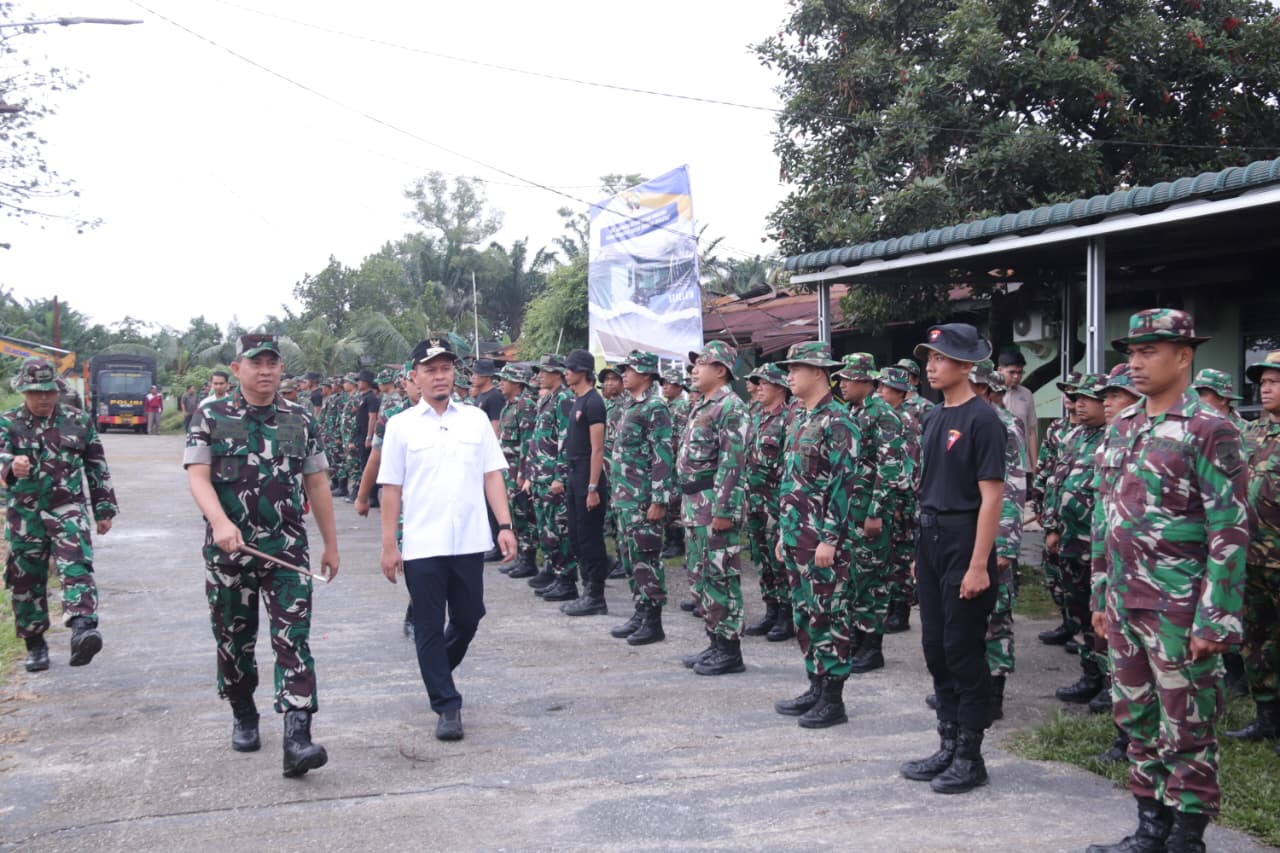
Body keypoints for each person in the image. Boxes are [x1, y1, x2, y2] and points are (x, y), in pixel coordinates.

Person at [1087, 309, 1247, 853]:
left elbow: (1229, 528)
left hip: (1179, 606)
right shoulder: (1123, 427)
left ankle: (1186, 836)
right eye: (1131, 352)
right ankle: (1149, 826)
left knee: (1187, 723)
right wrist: (1099, 595)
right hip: (1125, 603)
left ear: (1184, 356)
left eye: (1148, 351)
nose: (1134, 362)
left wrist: (1215, 616)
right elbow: (1104, 518)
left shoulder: (1208, 428)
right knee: (1136, 716)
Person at [184, 334, 340, 778]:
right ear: (238, 369)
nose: (266, 370)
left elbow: (318, 484)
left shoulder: (299, 418)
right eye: (256, 363)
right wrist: (219, 522)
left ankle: (297, 738)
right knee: (235, 643)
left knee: (293, 640)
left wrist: (331, 543)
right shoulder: (211, 414)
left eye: (273, 362)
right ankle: (243, 712)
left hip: (287, 551)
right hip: (230, 554)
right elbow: (198, 477)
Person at [377, 337, 516, 742]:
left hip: (470, 539)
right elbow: (391, 489)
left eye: (446, 369)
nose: (440, 376)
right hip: (423, 543)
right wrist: (389, 545)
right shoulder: (401, 426)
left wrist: (505, 526)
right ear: (415, 376)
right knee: (428, 626)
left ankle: (436, 669)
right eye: (431, 370)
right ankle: (446, 704)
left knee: (470, 616)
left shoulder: (473, 419)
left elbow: (493, 474)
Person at [899, 323, 1004, 795]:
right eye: (929, 358)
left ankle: (970, 754)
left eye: (940, 358)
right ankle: (946, 743)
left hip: (966, 539)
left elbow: (991, 499)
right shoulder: (934, 417)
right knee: (936, 649)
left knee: (963, 650)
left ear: (966, 365)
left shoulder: (984, 419)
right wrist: (922, 553)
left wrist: (979, 563)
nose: (931, 366)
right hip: (932, 538)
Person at [1, 357, 118, 673]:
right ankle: (35, 644)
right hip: (24, 515)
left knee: (75, 563)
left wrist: (103, 509)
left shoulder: (77, 421)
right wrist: (10, 465)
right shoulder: (7, 422)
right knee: (26, 579)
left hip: (67, 508)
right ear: (24, 390)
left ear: (57, 390)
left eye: (48, 391)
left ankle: (83, 629)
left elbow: (97, 466)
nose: (43, 398)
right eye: (35, 392)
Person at [773, 341, 858, 728]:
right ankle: (815, 685)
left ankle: (834, 698)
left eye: (797, 368)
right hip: (796, 535)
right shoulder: (799, 417)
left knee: (830, 612)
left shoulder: (838, 420)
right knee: (805, 613)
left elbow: (844, 485)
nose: (789, 374)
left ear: (820, 372)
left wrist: (830, 539)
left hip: (823, 539)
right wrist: (783, 532)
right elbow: (793, 481)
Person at [677, 341, 750, 676]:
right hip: (695, 506)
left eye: (700, 364)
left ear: (720, 370)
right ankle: (715, 641)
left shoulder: (730, 407)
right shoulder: (701, 406)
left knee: (720, 577)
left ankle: (730, 650)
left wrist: (724, 511)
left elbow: (732, 464)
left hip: (714, 506)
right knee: (701, 577)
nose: (693, 370)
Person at [836, 353, 906, 674]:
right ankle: (855, 639)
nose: (843, 384)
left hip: (869, 513)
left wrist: (876, 512)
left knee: (872, 579)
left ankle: (872, 646)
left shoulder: (883, 415)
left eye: (849, 379)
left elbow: (890, 468)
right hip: (849, 512)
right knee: (852, 578)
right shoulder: (850, 412)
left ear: (867, 381)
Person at [1224, 350, 1280, 752]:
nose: (1266, 387)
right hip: (1252, 560)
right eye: (1262, 381)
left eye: (1275, 381)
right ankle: (1266, 716)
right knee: (1256, 640)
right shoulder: (1247, 435)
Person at [1043, 374, 1109, 711]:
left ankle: (1111, 682)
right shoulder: (1073, 437)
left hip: (1096, 545)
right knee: (1079, 612)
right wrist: (1052, 527)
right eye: (1077, 398)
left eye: (1088, 398)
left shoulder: (1113, 438)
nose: (1078, 403)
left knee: (1103, 618)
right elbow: (1057, 483)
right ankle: (1090, 675)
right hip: (1069, 541)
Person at [607, 351, 674, 645]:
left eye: (630, 369)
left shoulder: (655, 407)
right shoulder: (627, 406)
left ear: (646, 374)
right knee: (630, 557)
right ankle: (640, 611)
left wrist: (659, 499)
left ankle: (653, 621)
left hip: (643, 498)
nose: (624, 374)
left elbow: (662, 454)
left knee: (647, 558)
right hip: (624, 497)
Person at [742, 363, 797, 642]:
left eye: (764, 383)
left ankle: (787, 615)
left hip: (777, 502)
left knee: (780, 561)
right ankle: (771, 609)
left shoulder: (790, 418)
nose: (759, 388)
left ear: (780, 386)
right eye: (757, 383)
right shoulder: (756, 417)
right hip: (755, 500)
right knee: (761, 558)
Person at [1031, 371, 1083, 647]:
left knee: (1078, 577)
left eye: (1076, 396)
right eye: (1068, 394)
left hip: (1080, 522)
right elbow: (1045, 466)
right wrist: (1039, 500)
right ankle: (1067, 622)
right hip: (1054, 510)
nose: (1071, 401)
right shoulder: (1057, 428)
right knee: (1054, 573)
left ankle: (1081, 631)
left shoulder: (1097, 431)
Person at [558, 349, 611, 615]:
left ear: (582, 372)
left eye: (569, 368)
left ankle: (596, 595)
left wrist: (592, 487)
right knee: (577, 536)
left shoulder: (593, 403)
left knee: (590, 538)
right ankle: (586, 587)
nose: (566, 373)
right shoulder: (576, 401)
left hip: (588, 476)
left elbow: (597, 449)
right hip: (574, 473)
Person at [526, 355, 579, 600]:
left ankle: (567, 580)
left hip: (553, 478)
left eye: (544, 372)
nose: (539, 376)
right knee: (546, 530)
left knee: (559, 529)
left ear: (557, 373)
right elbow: (538, 441)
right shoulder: (548, 398)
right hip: (539, 475)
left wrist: (560, 476)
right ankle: (556, 573)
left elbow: (566, 441)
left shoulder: (565, 400)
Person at [877, 366, 923, 633]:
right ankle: (891, 606)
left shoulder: (906, 421)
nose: (880, 392)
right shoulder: (889, 417)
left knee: (902, 555)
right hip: (890, 499)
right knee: (889, 555)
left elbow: (911, 465)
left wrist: (901, 501)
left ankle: (901, 610)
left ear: (899, 391)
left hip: (903, 500)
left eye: (884, 387)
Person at [497, 364, 541, 579]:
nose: (500, 383)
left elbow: (528, 443)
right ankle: (521, 556)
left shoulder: (526, 406)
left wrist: (523, 474)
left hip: (519, 471)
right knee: (515, 514)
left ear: (517, 383)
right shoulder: (509, 406)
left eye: (505, 380)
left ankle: (529, 559)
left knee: (525, 514)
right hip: (509, 470)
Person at [470, 359, 507, 560]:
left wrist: (485, 451)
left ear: (486, 376)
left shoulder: (494, 397)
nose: (473, 376)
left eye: (477, 373)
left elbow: (495, 426)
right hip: (477, 456)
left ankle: (497, 543)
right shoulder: (480, 396)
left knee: (493, 500)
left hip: (487, 455)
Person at [660, 367, 690, 562]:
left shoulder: (680, 407)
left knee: (674, 503)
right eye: (664, 384)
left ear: (680, 387)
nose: (665, 387)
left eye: (670, 384)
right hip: (666, 461)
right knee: (668, 501)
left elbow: (679, 437)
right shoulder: (668, 406)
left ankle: (676, 542)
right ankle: (670, 539)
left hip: (675, 461)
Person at [998, 349, 1038, 470]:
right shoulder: (987, 392)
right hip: (997, 464)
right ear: (999, 370)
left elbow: (1031, 432)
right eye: (1012, 372)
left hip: (1022, 466)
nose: (1016, 376)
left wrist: (1035, 467)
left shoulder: (1026, 394)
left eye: (1020, 373)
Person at [896, 357, 934, 423]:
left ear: (916, 380)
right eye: (898, 373)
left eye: (905, 374)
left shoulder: (926, 406)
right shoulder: (891, 402)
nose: (900, 377)